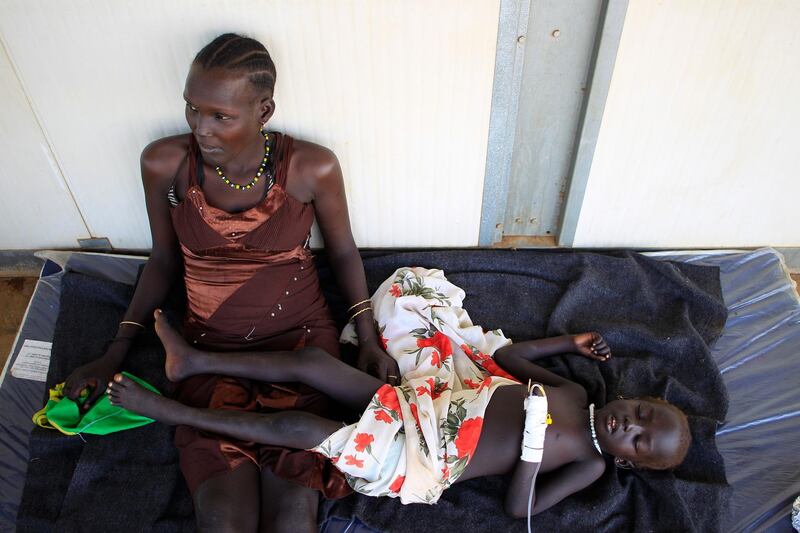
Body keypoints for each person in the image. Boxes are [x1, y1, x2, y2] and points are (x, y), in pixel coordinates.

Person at [64, 33, 398, 532]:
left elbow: (344, 251)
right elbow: (162, 259)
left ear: (264, 111)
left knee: (293, 513)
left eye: (221, 115)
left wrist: (367, 338)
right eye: (192, 109)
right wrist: (117, 350)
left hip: (301, 350)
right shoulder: (165, 164)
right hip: (206, 350)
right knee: (222, 517)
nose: (201, 127)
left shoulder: (311, 167)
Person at [108, 267, 692, 521]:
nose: (628, 425)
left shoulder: (588, 464)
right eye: (641, 413)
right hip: (418, 406)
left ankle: (171, 411)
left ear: (627, 460)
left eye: (638, 440)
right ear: (634, 396)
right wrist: (568, 342)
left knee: (306, 432)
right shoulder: (575, 393)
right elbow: (507, 359)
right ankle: (194, 359)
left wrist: (532, 454)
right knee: (314, 363)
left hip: (421, 459)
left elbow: (521, 509)